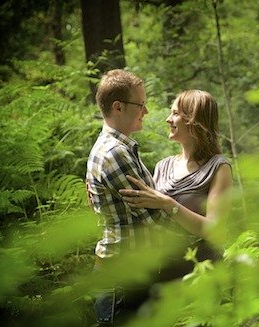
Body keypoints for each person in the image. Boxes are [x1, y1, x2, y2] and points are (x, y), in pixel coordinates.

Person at [119, 89, 233, 280]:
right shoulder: (163, 166)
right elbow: (147, 213)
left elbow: (215, 231)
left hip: (203, 273)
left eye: (175, 113)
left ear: (194, 120)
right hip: (164, 272)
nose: (168, 119)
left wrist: (168, 204)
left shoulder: (219, 167)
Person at [86, 69, 166, 325]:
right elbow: (154, 216)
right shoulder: (114, 153)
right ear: (118, 107)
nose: (146, 111)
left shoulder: (121, 148)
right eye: (141, 104)